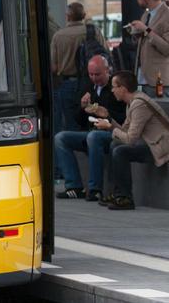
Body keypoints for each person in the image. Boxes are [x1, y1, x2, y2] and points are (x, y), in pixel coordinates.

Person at [53, 55, 126, 201]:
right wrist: (82, 107)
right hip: (91, 131)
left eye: (97, 74)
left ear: (107, 70)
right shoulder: (87, 86)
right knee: (61, 138)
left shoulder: (115, 88)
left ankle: (95, 189)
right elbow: (79, 121)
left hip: (110, 132)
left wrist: (107, 114)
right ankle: (74, 186)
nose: (94, 78)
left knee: (93, 137)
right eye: (91, 74)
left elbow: (124, 118)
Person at [94, 71, 169, 210]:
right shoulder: (132, 103)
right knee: (115, 144)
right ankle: (117, 193)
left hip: (161, 148)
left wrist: (110, 127)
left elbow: (130, 140)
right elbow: (124, 132)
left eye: (114, 86)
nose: (112, 90)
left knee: (120, 151)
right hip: (152, 144)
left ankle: (125, 197)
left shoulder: (139, 104)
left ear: (123, 89)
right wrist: (108, 118)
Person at [51, 2, 108, 133]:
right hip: (92, 82)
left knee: (71, 122)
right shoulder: (93, 31)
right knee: (93, 119)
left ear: (67, 16)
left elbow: (54, 67)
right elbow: (105, 54)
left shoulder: (58, 36)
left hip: (67, 83)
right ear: (83, 15)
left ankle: (73, 148)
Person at [129, 0, 169, 97]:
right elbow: (145, 41)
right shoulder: (146, 14)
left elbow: (167, 48)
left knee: (161, 114)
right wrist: (136, 34)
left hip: (159, 81)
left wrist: (146, 29)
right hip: (142, 79)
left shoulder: (167, 15)